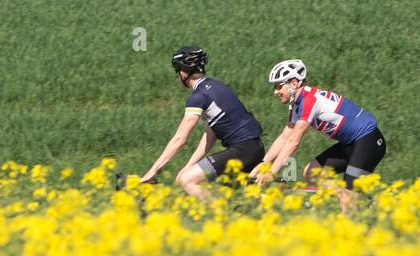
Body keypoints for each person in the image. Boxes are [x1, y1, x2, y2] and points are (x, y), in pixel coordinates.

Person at [251, 60, 385, 209]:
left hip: (368, 141)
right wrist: (263, 164)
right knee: (312, 173)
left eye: (278, 86)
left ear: (294, 84)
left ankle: (359, 206)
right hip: (351, 144)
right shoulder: (297, 104)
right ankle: (366, 203)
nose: (275, 92)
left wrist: (271, 173)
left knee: (348, 200)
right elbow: (285, 136)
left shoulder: (309, 101)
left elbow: (293, 142)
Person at [139, 46, 266, 197]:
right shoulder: (217, 86)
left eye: (177, 70)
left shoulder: (199, 97)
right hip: (253, 148)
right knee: (240, 196)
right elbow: (211, 133)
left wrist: (152, 171)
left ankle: (217, 215)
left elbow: (179, 139)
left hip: (242, 150)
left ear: (184, 72)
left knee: (187, 180)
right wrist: (189, 165)